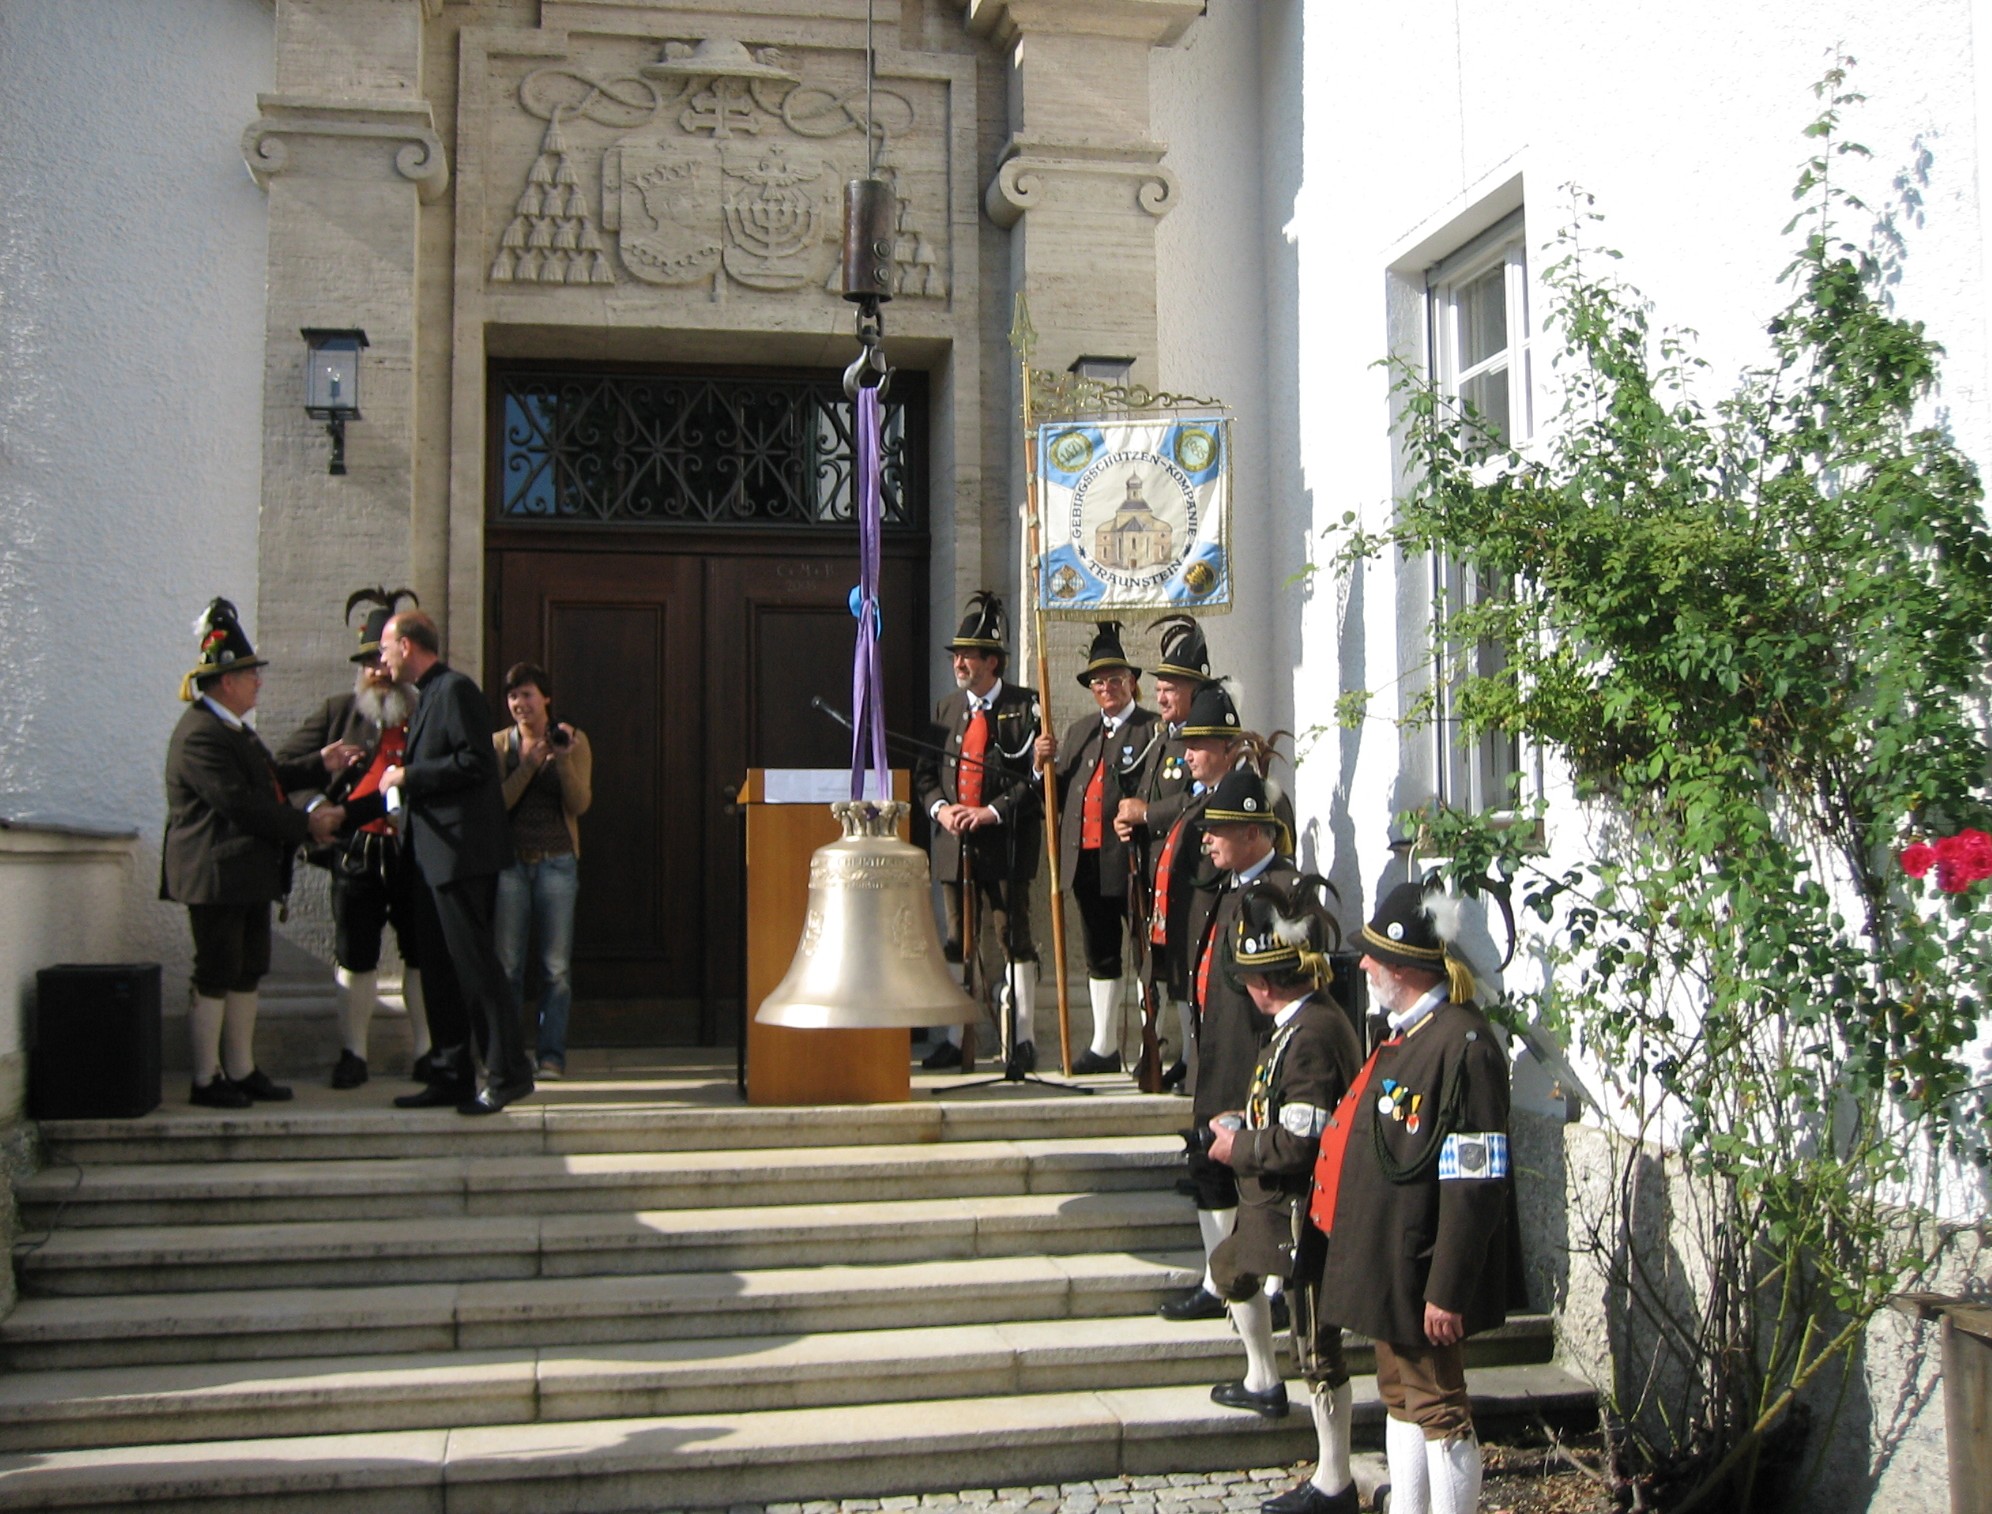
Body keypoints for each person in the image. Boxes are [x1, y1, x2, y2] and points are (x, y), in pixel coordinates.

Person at [1305, 881, 1514, 1514]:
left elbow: (1475, 1178)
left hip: (1425, 1268)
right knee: (1398, 1396)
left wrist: (1448, 1286)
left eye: (1372, 955)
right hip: (1391, 1262)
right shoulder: (1407, 1033)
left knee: (1439, 1408)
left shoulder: (1464, 1044)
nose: (1362, 966)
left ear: (1403, 965)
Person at [1203, 878, 1365, 1513]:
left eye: (1249, 980)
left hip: (1310, 1216)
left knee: (1318, 1351)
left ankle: (1335, 1481)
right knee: (1287, 1325)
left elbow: (1302, 1141)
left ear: (1265, 985)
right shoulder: (1299, 1025)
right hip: (1286, 1212)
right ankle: (1324, 1468)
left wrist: (1235, 1148)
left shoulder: (1315, 1035)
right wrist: (1244, 1128)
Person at [161, 598, 352, 1108]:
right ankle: (206, 1078)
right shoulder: (201, 735)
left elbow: (269, 781)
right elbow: (240, 804)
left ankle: (241, 1069)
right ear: (226, 681)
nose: (258, 683)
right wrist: (306, 824)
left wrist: (320, 762)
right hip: (216, 873)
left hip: (244, 873)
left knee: (248, 967)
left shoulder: (233, 730)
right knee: (217, 968)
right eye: (251, 676)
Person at [376, 610, 535, 1115]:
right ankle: (451, 1073)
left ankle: (508, 1073)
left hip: (463, 856)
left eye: (385, 645)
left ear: (407, 645)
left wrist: (408, 776)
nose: (380, 658)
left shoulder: (455, 690)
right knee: (439, 971)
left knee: (475, 968)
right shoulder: (426, 698)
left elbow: (474, 763)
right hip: (431, 858)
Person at [1159, 761, 1296, 1323]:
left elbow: (1287, 997)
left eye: (1218, 830)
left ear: (1254, 833)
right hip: (1215, 1053)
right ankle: (1219, 1283)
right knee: (1209, 1170)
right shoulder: (1229, 887)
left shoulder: (1282, 894)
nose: (1207, 839)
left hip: (1253, 1062)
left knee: (1260, 1180)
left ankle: (1270, 1290)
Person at [277, 588, 428, 1089]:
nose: (379, 672)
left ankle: (426, 1051)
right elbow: (285, 773)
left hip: (414, 852)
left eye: (383, 661)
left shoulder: (425, 713)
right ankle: (353, 1054)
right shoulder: (337, 711)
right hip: (356, 852)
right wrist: (317, 808)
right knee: (354, 954)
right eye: (370, 663)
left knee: (422, 953)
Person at [913, 591, 1043, 1075]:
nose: (959, 662)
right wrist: (941, 810)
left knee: (1013, 936)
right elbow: (925, 775)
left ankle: (1022, 1038)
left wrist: (990, 812)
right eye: (956, 655)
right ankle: (954, 1036)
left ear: (993, 660)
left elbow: (1035, 781)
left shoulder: (1024, 706)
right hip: (954, 842)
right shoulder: (945, 709)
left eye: (968, 654)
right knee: (956, 940)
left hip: (1003, 841)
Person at [1032, 621, 1162, 1074]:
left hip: (1131, 862)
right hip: (1085, 861)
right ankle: (1104, 1045)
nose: (1106, 687)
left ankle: (1153, 1047)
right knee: (1100, 953)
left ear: (1133, 682)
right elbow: (1054, 792)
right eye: (1098, 681)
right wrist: (1040, 764)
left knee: (1147, 953)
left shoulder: (1152, 730)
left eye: (1115, 678)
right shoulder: (1080, 731)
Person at [1115, 615, 1212, 1087]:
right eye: (1159, 686)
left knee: (1187, 968)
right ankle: (1182, 1055)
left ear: (1194, 689)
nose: (1160, 695)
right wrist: (1126, 819)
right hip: (1156, 875)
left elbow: (1200, 799)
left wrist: (1145, 814)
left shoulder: (1207, 738)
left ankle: (1196, 1059)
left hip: (1191, 873)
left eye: (1170, 686)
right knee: (1167, 969)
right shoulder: (1162, 737)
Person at [492, 661, 593, 1079]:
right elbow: (496, 805)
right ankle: (508, 1056)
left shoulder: (573, 739)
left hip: (557, 864)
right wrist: (528, 766)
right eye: (513, 696)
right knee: (508, 965)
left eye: (528, 694)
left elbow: (579, 803)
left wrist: (562, 758)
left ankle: (551, 1055)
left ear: (546, 698)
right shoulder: (500, 744)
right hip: (512, 864)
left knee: (556, 969)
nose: (520, 704)